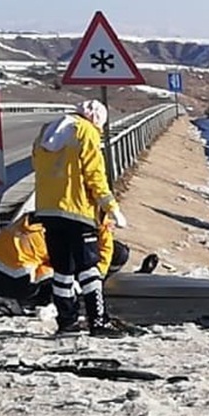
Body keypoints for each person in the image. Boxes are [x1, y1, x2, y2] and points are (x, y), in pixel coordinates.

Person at [32, 100, 128, 336]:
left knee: (62, 270)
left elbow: (38, 164)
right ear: (97, 120)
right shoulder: (87, 132)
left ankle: (67, 321)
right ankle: (98, 321)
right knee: (88, 268)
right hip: (78, 210)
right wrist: (111, 206)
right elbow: (95, 173)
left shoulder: (48, 129)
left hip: (48, 210)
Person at [0, 210, 137, 307]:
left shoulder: (44, 216)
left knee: (65, 265)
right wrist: (93, 282)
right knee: (64, 272)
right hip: (14, 281)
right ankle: (36, 301)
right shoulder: (62, 233)